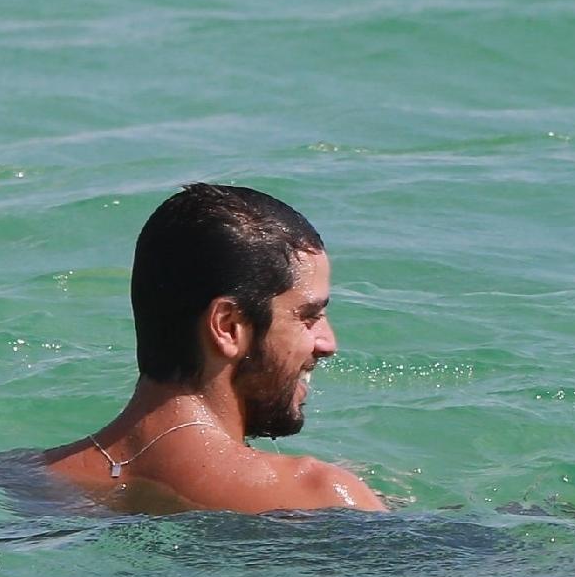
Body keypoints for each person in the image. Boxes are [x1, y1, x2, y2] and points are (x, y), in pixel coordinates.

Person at [41, 183, 385, 513]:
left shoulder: (25, 477)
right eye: (309, 317)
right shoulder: (320, 495)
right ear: (228, 326)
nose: (328, 343)